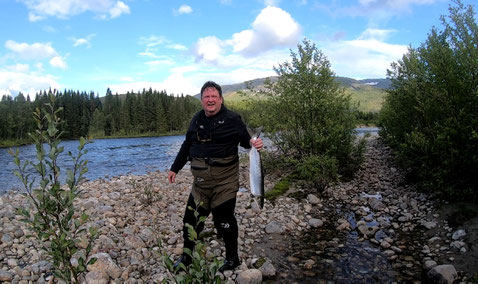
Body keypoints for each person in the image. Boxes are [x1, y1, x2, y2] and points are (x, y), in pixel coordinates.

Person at [168, 81, 263, 272]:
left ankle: (232, 258)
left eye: (214, 96)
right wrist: (174, 168)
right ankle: (186, 257)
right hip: (201, 184)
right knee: (190, 221)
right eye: (206, 97)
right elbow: (187, 145)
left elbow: (247, 142)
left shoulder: (233, 119)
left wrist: (256, 143)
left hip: (224, 182)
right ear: (202, 100)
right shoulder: (196, 119)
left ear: (220, 99)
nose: (210, 100)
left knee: (224, 219)